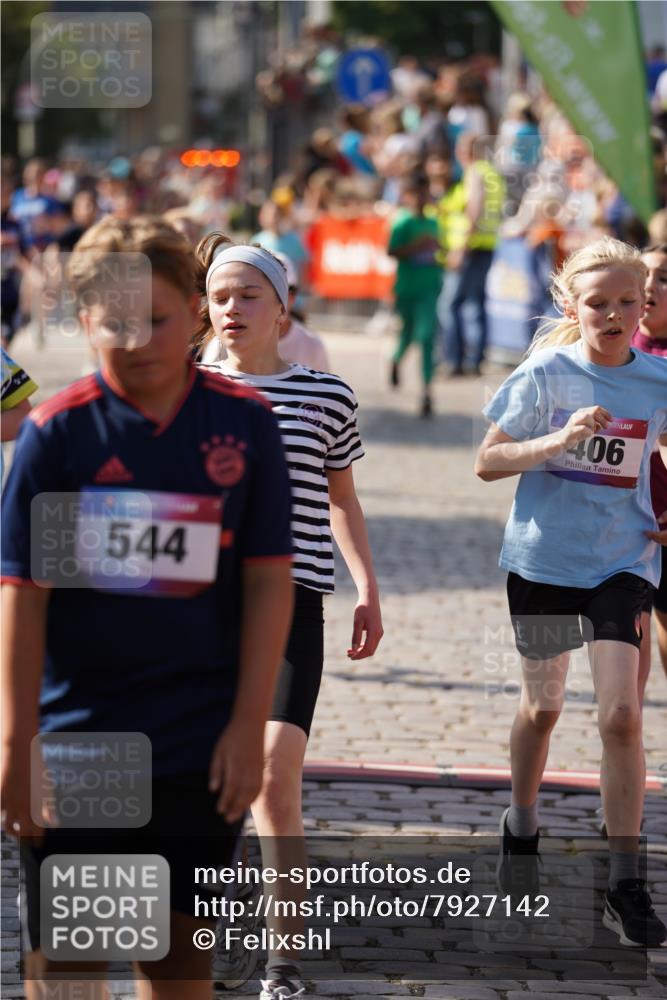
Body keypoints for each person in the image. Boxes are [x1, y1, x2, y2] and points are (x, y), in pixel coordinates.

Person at [1, 216, 294, 999]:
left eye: (158, 318)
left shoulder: (244, 424)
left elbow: (271, 579)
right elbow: (24, 596)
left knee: (173, 962)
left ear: (195, 311)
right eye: (114, 320)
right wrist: (16, 740)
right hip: (81, 742)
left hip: (200, 741)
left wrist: (245, 722)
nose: (138, 339)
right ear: (83, 318)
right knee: (69, 968)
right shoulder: (57, 435)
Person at [196, 236, 383, 1000]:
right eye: (219, 297)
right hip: (198, 609)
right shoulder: (186, 387)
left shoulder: (325, 395)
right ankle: (210, 929)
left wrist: (368, 586)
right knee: (202, 782)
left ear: (282, 308)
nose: (231, 309)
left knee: (275, 775)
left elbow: (341, 500)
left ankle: (284, 961)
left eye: (248, 296)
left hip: (292, 604)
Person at [475, 236, 667, 948]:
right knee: (543, 706)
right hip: (544, 562)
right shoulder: (546, 373)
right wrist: (554, 441)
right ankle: (520, 827)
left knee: (621, 716)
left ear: (643, 304)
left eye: (627, 302)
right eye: (597, 303)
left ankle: (624, 880)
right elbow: (487, 461)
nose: (613, 314)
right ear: (570, 305)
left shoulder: (656, 380)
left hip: (620, 564)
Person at [633, 244, 667, 687]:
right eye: (641, 274)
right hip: (625, 528)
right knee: (628, 647)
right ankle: (627, 753)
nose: (648, 286)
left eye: (662, 277)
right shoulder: (609, 347)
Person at [447, 133, 505, 376]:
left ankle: (455, 359)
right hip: (488, 243)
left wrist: (461, 247)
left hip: (471, 246)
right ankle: (476, 359)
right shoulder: (493, 173)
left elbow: (474, 207)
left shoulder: (475, 172)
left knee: (452, 304)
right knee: (477, 302)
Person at [387, 174, 443, 417]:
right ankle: (396, 360)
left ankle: (427, 392)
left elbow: (438, 251)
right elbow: (391, 251)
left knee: (427, 337)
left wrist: (439, 252)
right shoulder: (402, 223)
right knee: (409, 335)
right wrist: (416, 247)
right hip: (407, 288)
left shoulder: (433, 222)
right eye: (416, 194)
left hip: (429, 288)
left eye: (424, 193)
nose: (421, 199)